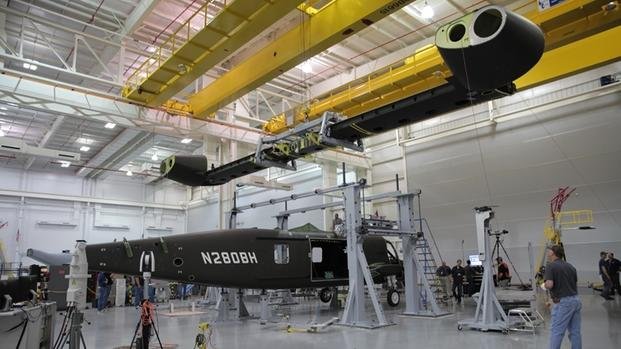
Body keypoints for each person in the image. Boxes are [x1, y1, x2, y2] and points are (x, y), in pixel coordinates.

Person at [544, 245, 581, 349]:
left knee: (557, 331)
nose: (548, 252)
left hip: (563, 302)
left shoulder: (551, 266)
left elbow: (550, 284)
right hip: (576, 300)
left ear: (553, 253)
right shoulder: (571, 266)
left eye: (549, 250)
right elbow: (573, 283)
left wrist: (544, 284)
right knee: (575, 332)